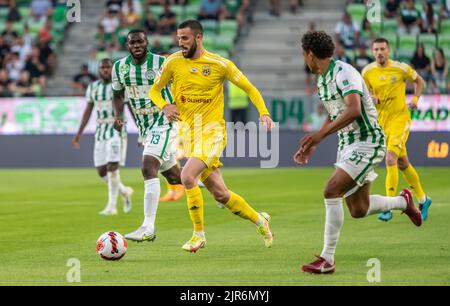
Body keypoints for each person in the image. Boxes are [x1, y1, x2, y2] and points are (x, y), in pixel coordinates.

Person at [295, 31, 422, 274]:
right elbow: (336, 114)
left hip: (368, 141)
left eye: (304, 55)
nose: (305, 60)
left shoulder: (344, 72)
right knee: (358, 209)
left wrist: (320, 135)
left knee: (331, 190)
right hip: (347, 143)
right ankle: (402, 202)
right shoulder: (322, 79)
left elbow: (353, 110)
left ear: (310, 54)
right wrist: (314, 143)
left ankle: (327, 259)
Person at [149, 20, 274, 253]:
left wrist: (263, 112)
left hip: (213, 132)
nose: (180, 43)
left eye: (185, 38)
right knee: (221, 194)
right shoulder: (172, 62)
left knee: (187, 176)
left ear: (198, 38)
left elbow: (250, 88)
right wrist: (165, 106)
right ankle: (260, 220)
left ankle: (198, 235)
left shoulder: (219, 64)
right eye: (178, 38)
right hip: (189, 134)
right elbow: (154, 90)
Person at [112, 29, 182, 242]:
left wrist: (176, 106)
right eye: (132, 43)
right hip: (145, 127)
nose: (136, 45)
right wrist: (118, 115)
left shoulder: (162, 63)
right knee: (175, 177)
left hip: (165, 122)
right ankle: (216, 188)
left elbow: (180, 86)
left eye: (140, 41)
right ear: (128, 45)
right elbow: (117, 95)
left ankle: (147, 227)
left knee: (147, 165)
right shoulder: (120, 67)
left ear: (147, 42)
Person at [362, 37, 432, 222]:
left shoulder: (401, 68)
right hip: (382, 122)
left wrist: (415, 100)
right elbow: (366, 92)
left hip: (400, 119)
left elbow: (420, 82)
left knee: (390, 158)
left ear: (388, 50)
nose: (379, 52)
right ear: (372, 51)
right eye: (376, 49)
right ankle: (424, 199)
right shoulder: (367, 72)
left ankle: (388, 207)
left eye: (382, 49)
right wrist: (371, 97)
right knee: (402, 162)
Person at [72, 59, 134, 215]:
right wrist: (79, 133)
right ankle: (125, 191)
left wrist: (140, 127)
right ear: (99, 70)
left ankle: (111, 206)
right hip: (100, 130)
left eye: (108, 67)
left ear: (113, 69)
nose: (106, 70)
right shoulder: (93, 87)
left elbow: (130, 106)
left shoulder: (120, 85)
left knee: (112, 166)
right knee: (101, 170)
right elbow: (88, 111)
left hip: (116, 129)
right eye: (103, 67)